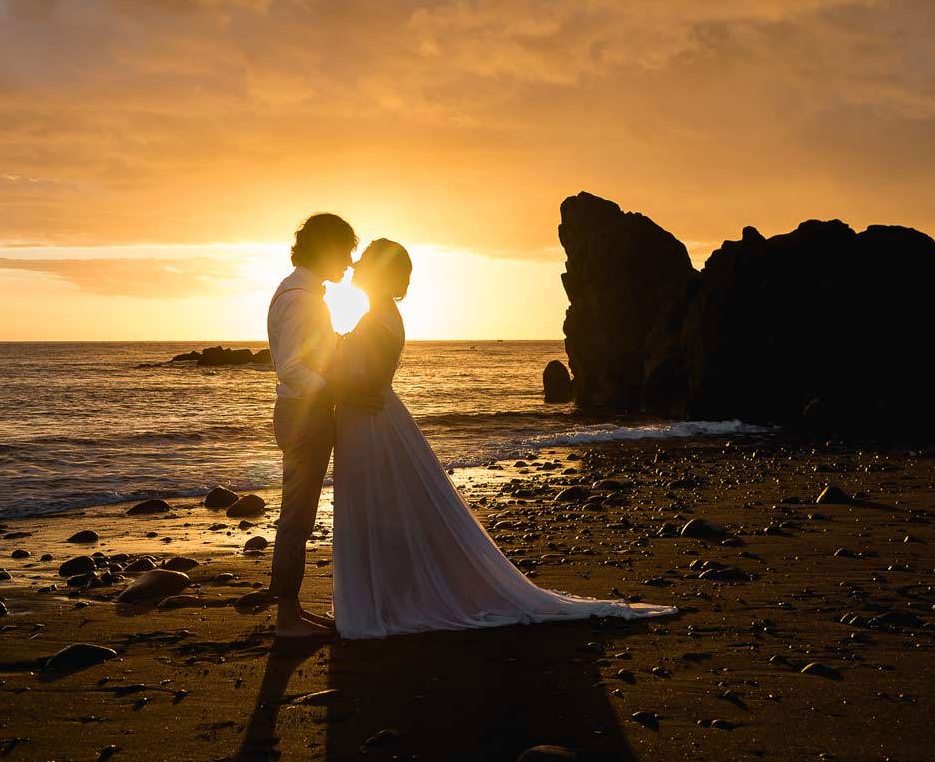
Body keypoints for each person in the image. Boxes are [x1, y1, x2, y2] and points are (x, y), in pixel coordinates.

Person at [325, 238, 677, 638]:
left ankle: (386, 599)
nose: (355, 265)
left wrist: (325, 386)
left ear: (379, 273)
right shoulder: (380, 315)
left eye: (365, 260)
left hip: (370, 423)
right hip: (369, 420)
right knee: (382, 510)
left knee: (380, 509)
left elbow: (366, 382)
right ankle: (386, 593)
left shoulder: (378, 320)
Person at [264, 213, 378, 640]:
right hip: (303, 416)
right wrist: (340, 395)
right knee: (297, 515)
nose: (350, 262)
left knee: (301, 513)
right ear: (326, 248)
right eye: (345, 251)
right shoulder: (300, 298)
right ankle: (286, 618)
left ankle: (290, 609)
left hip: (304, 414)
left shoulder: (305, 293)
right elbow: (292, 367)